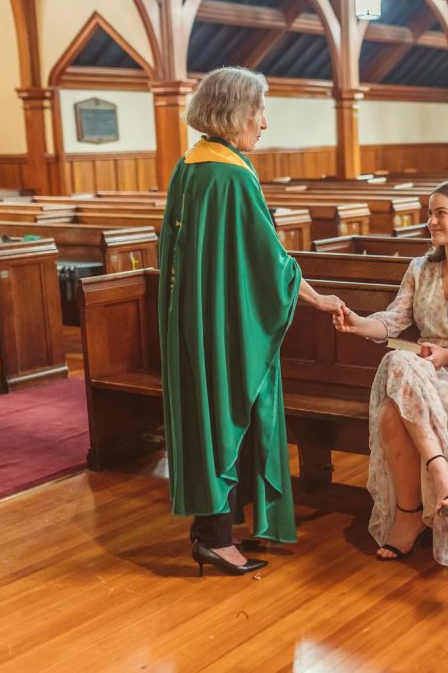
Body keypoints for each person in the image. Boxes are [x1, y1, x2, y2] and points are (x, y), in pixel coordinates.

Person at [159, 67, 343, 577]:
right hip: (226, 326)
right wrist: (316, 298)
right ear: (235, 112)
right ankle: (216, 540)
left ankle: (208, 530)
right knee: (229, 411)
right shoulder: (231, 174)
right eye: (259, 110)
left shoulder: (191, 164)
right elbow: (270, 261)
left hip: (196, 319)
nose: (264, 122)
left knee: (208, 412)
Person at [333, 180, 448, 565]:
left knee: (394, 396)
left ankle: (413, 511)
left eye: (440, 213)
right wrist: (358, 323)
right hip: (422, 375)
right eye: (429, 213)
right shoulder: (420, 268)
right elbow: (393, 321)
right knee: (399, 364)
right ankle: (437, 481)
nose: (430, 221)